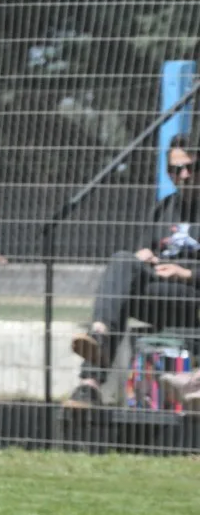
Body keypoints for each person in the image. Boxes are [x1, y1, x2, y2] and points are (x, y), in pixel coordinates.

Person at [66, 137, 200, 408]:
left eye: (190, 167)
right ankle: (95, 356)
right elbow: (143, 250)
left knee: (124, 275)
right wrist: (145, 258)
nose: (184, 175)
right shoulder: (163, 208)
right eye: (176, 170)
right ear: (169, 174)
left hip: (193, 298)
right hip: (161, 294)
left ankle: (90, 378)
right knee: (123, 261)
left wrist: (185, 273)